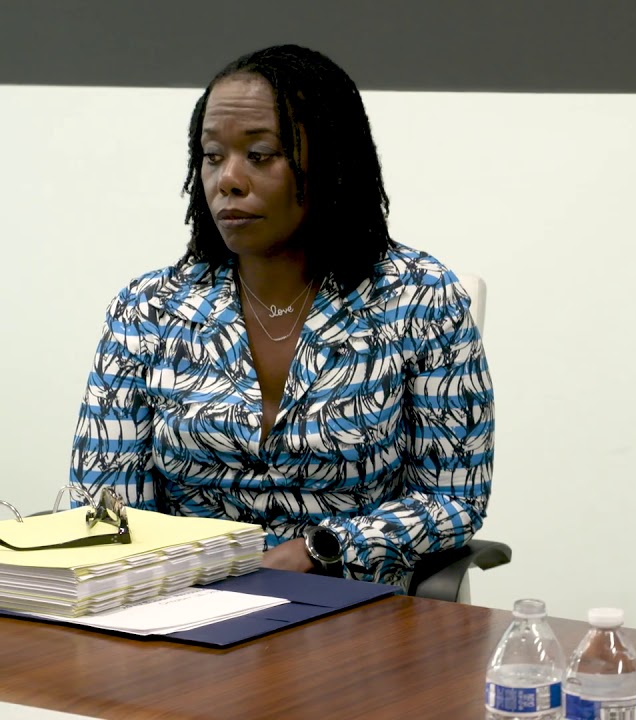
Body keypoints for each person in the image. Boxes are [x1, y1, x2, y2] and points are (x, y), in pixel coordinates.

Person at [68, 45, 494, 592]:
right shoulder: (148, 309)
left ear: (331, 160)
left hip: (351, 603)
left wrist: (322, 549)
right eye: (212, 156)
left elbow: (453, 498)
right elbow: (105, 503)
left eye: (261, 154)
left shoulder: (420, 299)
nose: (228, 180)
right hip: (183, 606)